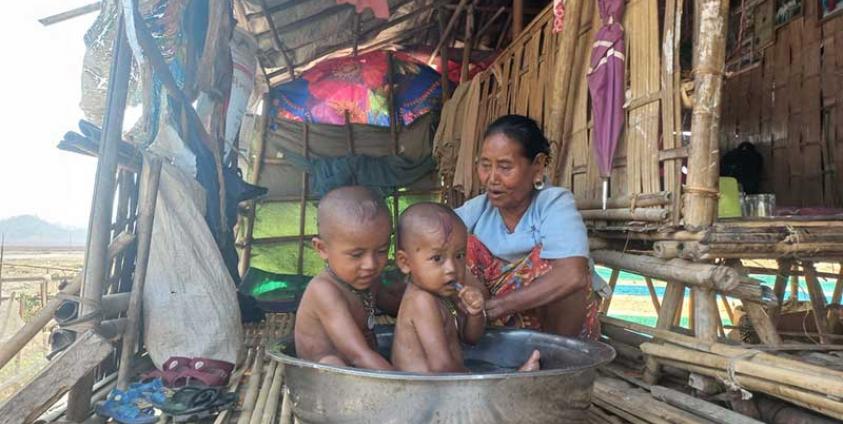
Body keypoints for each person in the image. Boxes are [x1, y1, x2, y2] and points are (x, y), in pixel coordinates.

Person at [455, 114, 609, 339]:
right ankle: (486, 339)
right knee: (453, 245)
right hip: (497, 324)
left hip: (560, 332)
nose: (492, 178)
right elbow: (431, 231)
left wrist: (495, 307)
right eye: (485, 165)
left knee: (558, 267)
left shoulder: (554, 204)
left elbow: (572, 276)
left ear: (537, 166)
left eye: (505, 167)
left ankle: (556, 363)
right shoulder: (478, 209)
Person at [391, 203, 540, 373]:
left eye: (459, 256)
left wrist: (475, 313)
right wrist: (482, 384)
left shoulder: (442, 293)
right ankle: (514, 381)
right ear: (405, 262)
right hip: (421, 393)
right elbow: (442, 366)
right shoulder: (421, 301)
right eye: (437, 258)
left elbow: (471, 338)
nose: (451, 268)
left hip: (441, 386)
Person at [294, 186, 394, 370]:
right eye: (356, 255)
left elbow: (396, 304)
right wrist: (406, 385)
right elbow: (357, 354)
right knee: (331, 363)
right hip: (329, 375)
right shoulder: (324, 291)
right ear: (322, 249)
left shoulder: (369, 280)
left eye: (381, 251)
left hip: (364, 365)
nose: (370, 264)